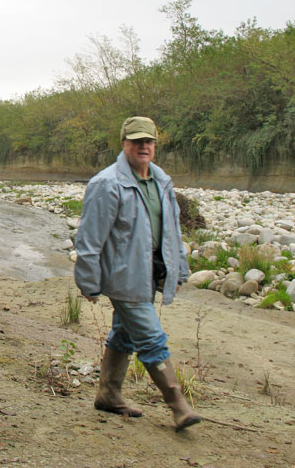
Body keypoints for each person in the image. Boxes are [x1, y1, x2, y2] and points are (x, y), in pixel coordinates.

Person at [73, 116, 200, 432]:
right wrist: (87, 280)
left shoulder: (161, 181)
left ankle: (108, 393)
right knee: (150, 337)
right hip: (123, 277)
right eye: (136, 141)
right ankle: (178, 404)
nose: (143, 146)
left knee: (125, 333)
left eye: (149, 141)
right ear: (123, 144)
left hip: (148, 274)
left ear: (155, 145)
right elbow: (89, 239)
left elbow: (171, 232)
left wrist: (179, 271)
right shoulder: (107, 184)